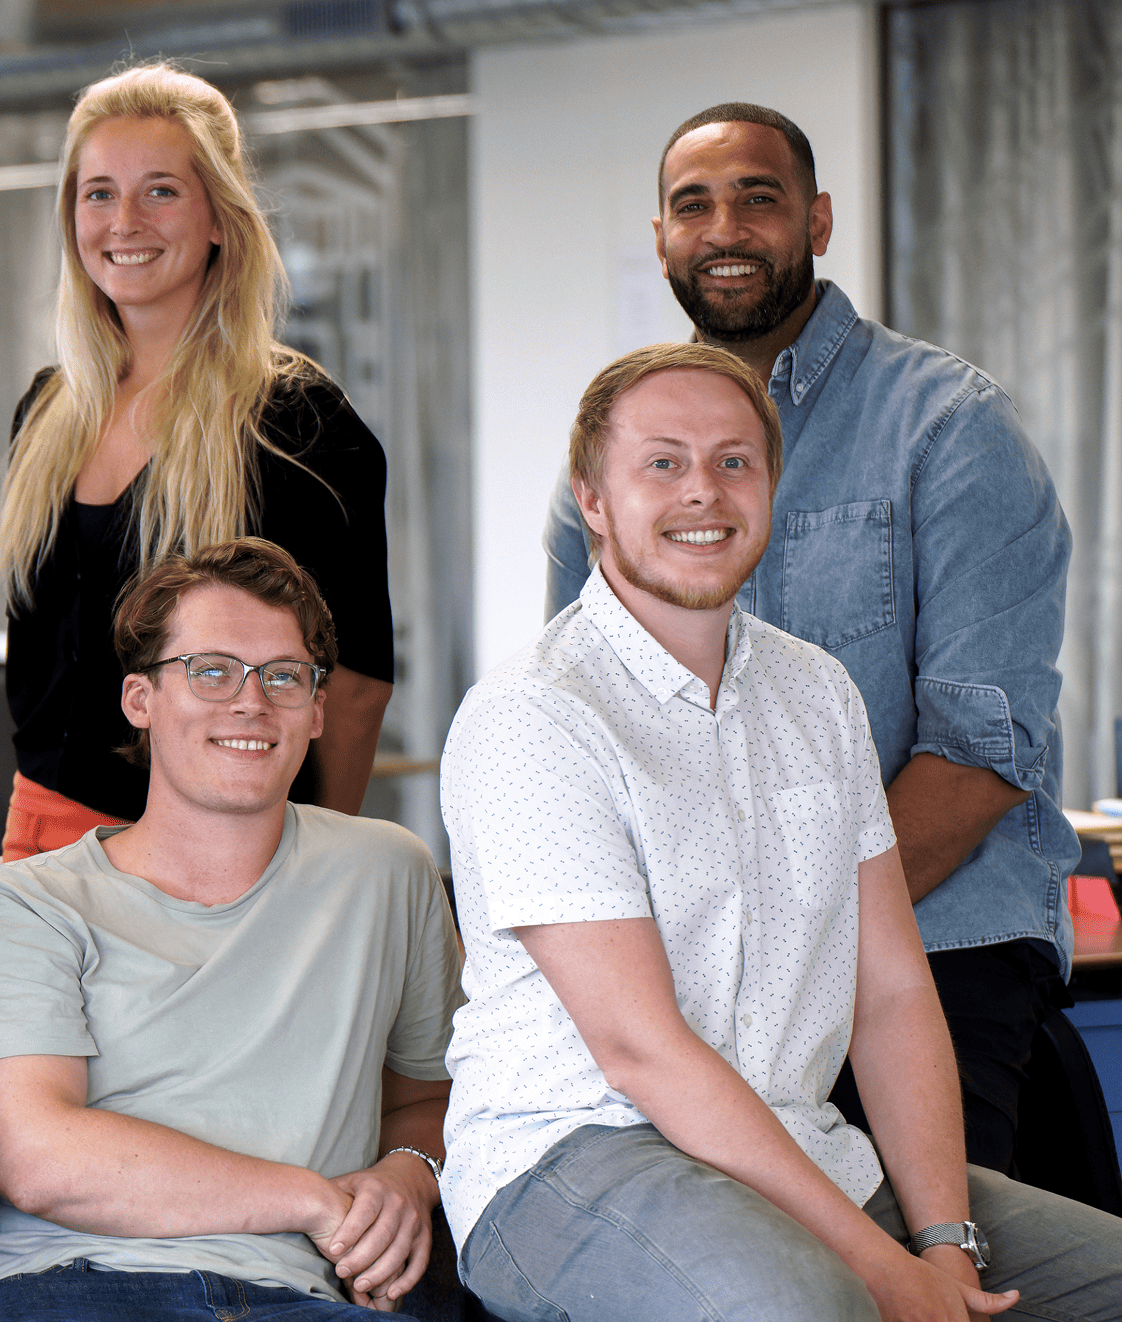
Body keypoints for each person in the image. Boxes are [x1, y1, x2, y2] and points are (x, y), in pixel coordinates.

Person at [448, 343, 1122, 1320]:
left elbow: (890, 992)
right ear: (592, 498)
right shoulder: (532, 713)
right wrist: (887, 1270)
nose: (704, 492)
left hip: (797, 1140)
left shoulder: (816, 692)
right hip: (573, 1152)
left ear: (770, 484)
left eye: (733, 461)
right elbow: (641, 1051)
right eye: (662, 462)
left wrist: (943, 1242)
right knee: (810, 1304)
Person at [540, 103, 1074, 1173]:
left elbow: (979, 757)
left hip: (934, 950)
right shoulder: (601, 471)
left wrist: (779, 948)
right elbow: (574, 728)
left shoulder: (947, 427)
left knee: (919, 1266)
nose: (723, 226)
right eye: (693, 204)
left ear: (818, 221)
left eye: (758, 197)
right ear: (660, 240)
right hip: (693, 982)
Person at [0, 537, 461, 1319]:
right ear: (139, 700)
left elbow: (436, 1097)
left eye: (284, 676)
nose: (250, 702)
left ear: (318, 709)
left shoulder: (388, 873)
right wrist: (317, 1203)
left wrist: (408, 1174)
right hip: (72, 1286)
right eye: (210, 670)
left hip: (303, 1297)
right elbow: (40, 1160)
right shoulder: (23, 906)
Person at [0, 63, 395, 861]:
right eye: (98, 192)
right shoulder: (48, 410)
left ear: (219, 217)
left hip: (217, 845)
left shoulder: (296, 421)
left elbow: (351, 688)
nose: (124, 221)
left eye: (162, 191)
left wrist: (319, 868)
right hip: (40, 836)